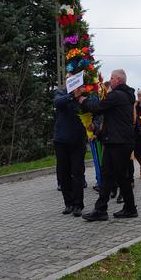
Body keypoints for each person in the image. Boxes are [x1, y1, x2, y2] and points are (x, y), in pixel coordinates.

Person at [79, 69, 137, 221]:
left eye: (112, 78)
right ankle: (106, 209)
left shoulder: (117, 95)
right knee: (111, 176)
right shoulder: (124, 95)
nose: (110, 81)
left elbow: (98, 106)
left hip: (119, 142)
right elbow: (112, 119)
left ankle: (123, 208)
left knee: (118, 176)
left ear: (118, 79)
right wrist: (98, 132)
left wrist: (82, 100)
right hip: (116, 141)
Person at [53, 81, 87, 217]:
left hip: (78, 141)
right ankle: (69, 203)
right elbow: (57, 103)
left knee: (77, 173)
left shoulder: (85, 95)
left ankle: (78, 205)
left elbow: (93, 112)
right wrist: (73, 95)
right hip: (61, 140)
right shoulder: (61, 93)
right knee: (64, 174)